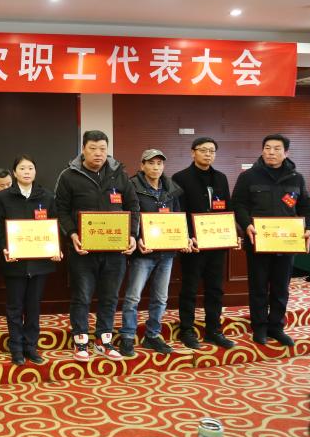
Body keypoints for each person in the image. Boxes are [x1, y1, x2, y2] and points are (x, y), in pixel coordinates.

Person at [55, 130, 139, 362]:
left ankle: (104, 340)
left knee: (110, 297)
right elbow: (61, 210)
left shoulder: (119, 174)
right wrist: (72, 234)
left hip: (115, 250)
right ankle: (80, 340)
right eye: (93, 148)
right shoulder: (69, 176)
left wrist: (132, 235)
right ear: (83, 149)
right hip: (83, 249)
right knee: (82, 296)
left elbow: (133, 206)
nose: (98, 153)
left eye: (102, 148)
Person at [232, 133, 310, 347]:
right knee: (258, 287)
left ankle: (276, 327)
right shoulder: (248, 176)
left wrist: (309, 228)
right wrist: (246, 224)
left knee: (281, 287)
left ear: (286, 152)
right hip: (258, 241)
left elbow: (306, 207)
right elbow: (238, 204)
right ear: (262, 150)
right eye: (267, 148)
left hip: (286, 242)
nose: (271, 152)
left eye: (277, 149)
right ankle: (259, 327)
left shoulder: (297, 178)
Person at [119, 149, 188, 357]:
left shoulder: (171, 188)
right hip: (143, 252)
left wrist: (183, 238)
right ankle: (127, 336)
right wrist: (136, 236)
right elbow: (128, 215)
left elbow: (177, 218)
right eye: (151, 163)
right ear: (142, 165)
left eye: (159, 163)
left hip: (166, 252)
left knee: (161, 298)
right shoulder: (132, 186)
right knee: (133, 297)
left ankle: (152, 335)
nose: (155, 167)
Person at [0, 154, 59, 365]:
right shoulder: (3, 197)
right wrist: (4, 247)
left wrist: (56, 247)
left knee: (33, 307)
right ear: (14, 173)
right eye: (22, 168)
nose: (27, 172)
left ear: (35, 171)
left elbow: (54, 225)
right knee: (14, 307)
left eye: (30, 168)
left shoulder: (47, 196)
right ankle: (16, 348)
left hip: (40, 262)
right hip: (14, 261)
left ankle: (31, 347)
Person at [172, 137, 236, 350]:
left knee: (216, 289)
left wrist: (231, 233)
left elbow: (227, 208)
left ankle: (213, 330)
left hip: (217, 243)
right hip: (194, 244)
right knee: (189, 289)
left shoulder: (221, 178)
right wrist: (188, 236)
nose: (208, 154)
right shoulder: (180, 177)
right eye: (203, 150)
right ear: (193, 152)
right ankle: (187, 330)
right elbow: (178, 211)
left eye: (212, 151)